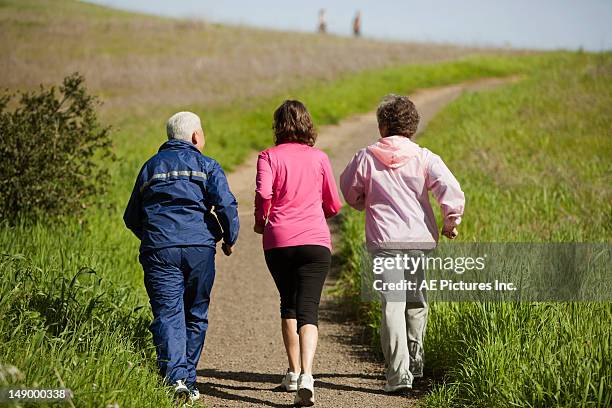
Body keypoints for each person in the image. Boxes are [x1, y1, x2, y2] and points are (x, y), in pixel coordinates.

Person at [339, 95, 464, 392]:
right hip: (419, 242)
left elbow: (349, 190)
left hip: (385, 242)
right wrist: (450, 221)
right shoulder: (424, 157)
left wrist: (362, 203)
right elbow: (450, 188)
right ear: (413, 127)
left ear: (382, 126)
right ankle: (415, 363)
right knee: (416, 303)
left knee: (392, 306)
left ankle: (398, 375)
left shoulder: (366, 157)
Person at [123, 111, 239, 403]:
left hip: (160, 251)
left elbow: (131, 216)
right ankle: (188, 378)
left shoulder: (150, 167)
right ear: (196, 137)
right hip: (200, 248)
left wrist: (153, 238)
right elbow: (226, 204)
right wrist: (229, 237)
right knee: (195, 313)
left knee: (168, 314)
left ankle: (176, 380)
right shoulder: (207, 165)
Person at [254, 100, 342, 406]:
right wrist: (321, 212)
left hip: (278, 240)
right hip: (314, 241)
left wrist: (259, 221)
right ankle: (307, 375)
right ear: (307, 124)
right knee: (309, 308)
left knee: (288, 304)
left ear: (278, 126)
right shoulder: (319, 158)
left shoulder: (268, 156)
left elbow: (264, 194)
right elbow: (333, 204)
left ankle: (292, 373)